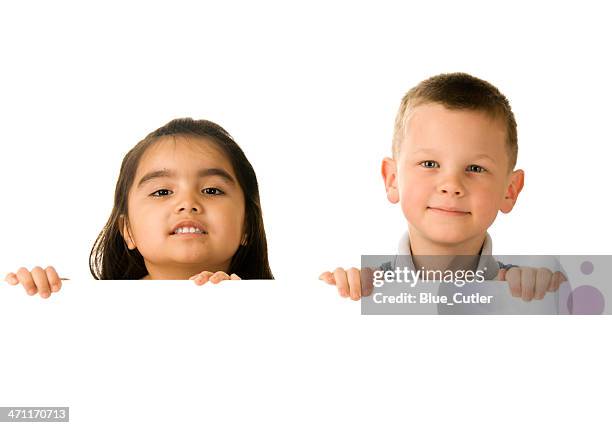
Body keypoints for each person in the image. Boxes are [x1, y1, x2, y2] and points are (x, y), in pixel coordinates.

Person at [319, 72, 565, 301]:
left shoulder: (533, 291)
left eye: (476, 168)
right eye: (429, 163)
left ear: (510, 190)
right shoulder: (361, 292)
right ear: (392, 179)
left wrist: (548, 298)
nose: (451, 185)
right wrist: (339, 297)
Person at [5, 118, 274, 297]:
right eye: (162, 191)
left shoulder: (274, 309)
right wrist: (32, 294)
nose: (188, 204)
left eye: (212, 190)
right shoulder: (86, 305)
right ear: (128, 230)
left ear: (247, 226)